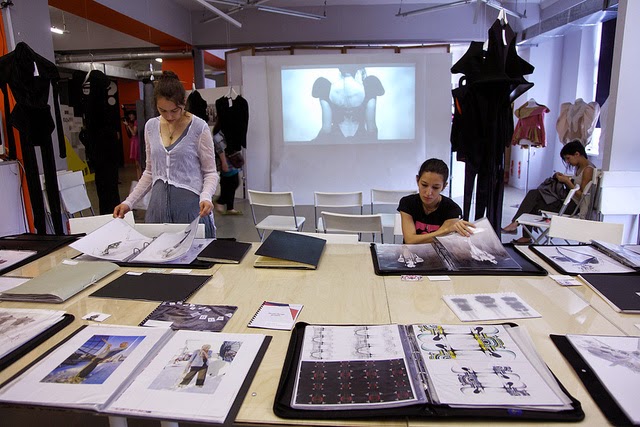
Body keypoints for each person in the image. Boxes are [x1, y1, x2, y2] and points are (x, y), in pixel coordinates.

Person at [113, 71, 218, 237]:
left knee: (194, 251)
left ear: (184, 102)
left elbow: (210, 172)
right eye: (162, 110)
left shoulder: (199, 127)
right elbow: (150, 172)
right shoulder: (150, 127)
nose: (169, 116)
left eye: (175, 110)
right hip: (158, 211)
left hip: (190, 211)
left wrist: (206, 197)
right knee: (158, 251)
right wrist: (129, 202)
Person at [502, 139, 595, 244]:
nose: (567, 162)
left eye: (568, 158)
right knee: (533, 198)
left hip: (572, 207)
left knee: (533, 198)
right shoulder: (579, 167)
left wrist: (567, 181)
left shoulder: (588, 170)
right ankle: (520, 230)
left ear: (577, 154)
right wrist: (565, 179)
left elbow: (581, 196)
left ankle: (517, 226)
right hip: (568, 202)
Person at [398, 158, 474, 244]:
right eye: (424, 185)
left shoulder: (452, 209)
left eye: (435, 187)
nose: (428, 193)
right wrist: (446, 230)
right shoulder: (408, 203)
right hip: (410, 252)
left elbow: (439, 242)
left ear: (444, 186)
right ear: (417, 180)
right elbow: (410, 240)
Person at [312, 66, 384, 141]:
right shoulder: (370, 85)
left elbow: (326, 129)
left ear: (339, 67)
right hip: (360, 139)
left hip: (336, 140)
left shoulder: (324, 87)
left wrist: (311, 144)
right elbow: (371, 129)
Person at [212, 121, 242, 215]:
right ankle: (220, 201)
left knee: (230, 183)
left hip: (231, 161)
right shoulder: (218, 136)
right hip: (226, 162)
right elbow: (220, 151)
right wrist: (224, 163)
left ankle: (230, 207)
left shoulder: (226, 132)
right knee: (231, 183)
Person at [123, 110, 141, 178]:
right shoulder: (132, 123)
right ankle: (138, 177)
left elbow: (133, 133)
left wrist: (128, 125)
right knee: (136, 163)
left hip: (136, 142)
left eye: (131, 115)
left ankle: (140, 177)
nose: (130, 116)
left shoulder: (136, 122)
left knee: (138, 162)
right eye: (129, 115)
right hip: (133, 141)